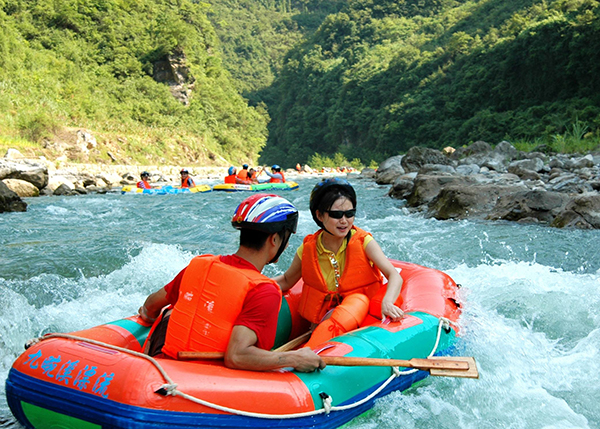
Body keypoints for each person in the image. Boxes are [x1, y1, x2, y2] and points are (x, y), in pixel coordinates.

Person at [138, 194, 324, 372]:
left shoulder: (200, 264)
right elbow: (237, 356)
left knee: (169, 312)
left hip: (162, 366)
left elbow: (150, 306)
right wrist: (295, 358)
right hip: (203, 384)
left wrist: (149, 318)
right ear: (274, 239)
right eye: (287, 237)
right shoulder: (264, 290)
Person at [274, 178, 404, 349]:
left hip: (361, 313)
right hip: (324, 318)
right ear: (319, 215)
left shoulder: (364, 242)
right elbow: (286, 280)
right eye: (336, 215)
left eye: (350, 214)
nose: (344, 220)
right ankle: (314, 344)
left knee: (357, 300)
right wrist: (255, 285)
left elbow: (394, 275)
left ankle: (309, 351)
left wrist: (387, 302)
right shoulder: (308, 248)